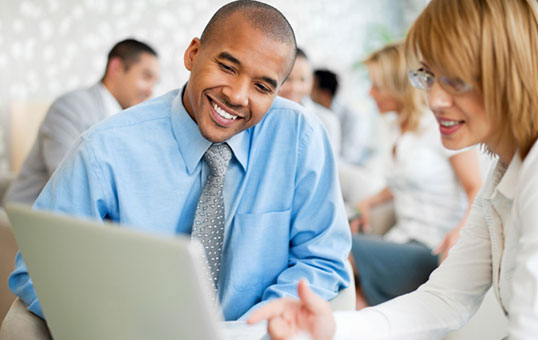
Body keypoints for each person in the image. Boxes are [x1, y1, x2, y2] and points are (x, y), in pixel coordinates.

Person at [249, 0, 538, 339]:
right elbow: (443, 299)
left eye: (456, 80)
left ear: (515, 72)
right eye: (428, 76)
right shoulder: (505, 174)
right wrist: (331, 327)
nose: (434, 100)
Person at [9, 0, 350, 322]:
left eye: (262, 87)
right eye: (228, 67)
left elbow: (321, 257)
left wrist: (256, 328)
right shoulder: (105, 150)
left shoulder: (300, 138)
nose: (237, 95)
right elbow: (38, 271)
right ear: (193, 54)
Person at [349, 42, 483, 308]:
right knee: (354, 297)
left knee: (339, 245)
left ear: (396, 87)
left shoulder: (441, 128)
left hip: (431, 248)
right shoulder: (395, 129)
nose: (370, 92)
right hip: (400, 238)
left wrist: (461, 231)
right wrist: (369, 202)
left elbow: (476, 187)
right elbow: (401, 183)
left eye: (377, 85)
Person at [3, 38, 159, 206]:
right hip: (26, 221)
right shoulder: (71, 107)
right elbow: (70, 183)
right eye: (146, 76)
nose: (150, 90)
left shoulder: (130, 121)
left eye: (154, 82)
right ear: (116, 68)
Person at [279, 48, 342, 157]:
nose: (295, 88)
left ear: (312, 82)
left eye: (303, 80)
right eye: (288, 79)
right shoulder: (261, 115)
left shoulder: (326, 121)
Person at [311, 69, 369, 165]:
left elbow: (349, 157)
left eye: (311, 89)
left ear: (325, 94)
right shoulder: (312, 112)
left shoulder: (353, 117)